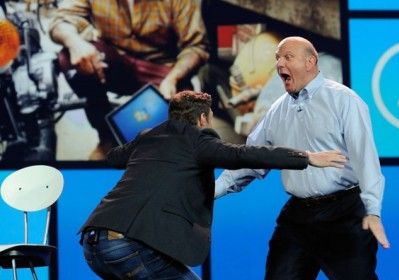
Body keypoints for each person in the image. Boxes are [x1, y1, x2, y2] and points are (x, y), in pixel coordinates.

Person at [79, 90, 347, 279]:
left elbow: (114, 158)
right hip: (129, 247)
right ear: (203, 120)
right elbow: (247, 154)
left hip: (94, 245)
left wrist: (145, 144)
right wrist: (307, 157)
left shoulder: (148, 136)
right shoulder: (198, 140)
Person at [215, 36, 390, 280]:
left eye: (288, 57)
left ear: (311, 61)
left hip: (344, 214)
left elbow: (366, 159)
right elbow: (252, 158)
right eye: (277, 58)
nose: (279, 64)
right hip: (299, 217)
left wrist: (373, 211)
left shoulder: (344, 100)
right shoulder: (277, 109)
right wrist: (212, 190)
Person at [48, 0, 209, 160]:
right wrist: (75, 43)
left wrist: (173, 77)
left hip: (160, 67)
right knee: (68, 58)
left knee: (184, 109)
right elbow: (60, 19)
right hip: (116, 61)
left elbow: (196, 46)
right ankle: (107, 137)